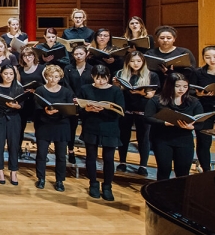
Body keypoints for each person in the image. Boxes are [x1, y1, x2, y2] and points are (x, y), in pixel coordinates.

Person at [145, 72, 205, 180]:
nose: (181, 89)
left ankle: (180, 196)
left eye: (185, 86)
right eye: (177, 86)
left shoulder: (193, 102)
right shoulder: (157, 100)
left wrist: (192, 127)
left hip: (184, 140)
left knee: (183, 171)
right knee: (164, 169)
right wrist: (164, 123)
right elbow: (147, 117)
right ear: (169, 86)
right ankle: (161, 195)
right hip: (163, 139)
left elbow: (200, 123)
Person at [78, 64, 125, 201]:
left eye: (104, 78)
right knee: (91, 157)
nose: (101, 81)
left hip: (110, 127)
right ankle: (93, 184)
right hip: (91, 126)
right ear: (92, 77)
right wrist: (87, 110)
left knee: (109, 159)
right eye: (98, 78)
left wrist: (104, 110)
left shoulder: (116, 91)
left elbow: (120, 112)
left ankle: (107, 186)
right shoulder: (85, 89)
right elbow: (79, 110)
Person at [115, 51, 158, 176]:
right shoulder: (120, 74)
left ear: (143, 62)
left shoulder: (151, 75)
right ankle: (122, 162)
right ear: (128, 62)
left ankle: (143, 165)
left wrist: (140, 93)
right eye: (133, 61)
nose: (136, 64)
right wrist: (116, 84)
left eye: (139, 61)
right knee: (124, 136)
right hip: (126, 109)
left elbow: (151, 94)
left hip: (143, 110)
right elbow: (116, 92)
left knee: (143, 138)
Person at [33, 65, 74, 191]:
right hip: (44, 124)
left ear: (60, 77)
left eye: (56, 77)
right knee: (41, 154)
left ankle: (60, 180)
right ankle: (41, 178)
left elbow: (70, 110)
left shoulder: (67, 92)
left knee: (61, 155)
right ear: (46, 76)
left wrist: (60, 111)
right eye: (50, 76)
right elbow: (35, 109)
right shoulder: (40, 90)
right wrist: (45, 111)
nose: (53, 79)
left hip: (61, 125)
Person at [0, 65, 23, 186]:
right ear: (1, 74)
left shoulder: (18, 88)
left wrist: (16, 106)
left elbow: (22, 105)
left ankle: (13, 171)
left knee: (13, 145)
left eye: (11, 74)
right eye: (6, 74)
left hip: (14, 118)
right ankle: (0, 170)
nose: (8, 76)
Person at [194, 45, 215, 171]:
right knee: (203, 142)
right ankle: (206, 171)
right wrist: (198, 93)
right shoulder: (198, 72)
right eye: (207, 57)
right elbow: (191, 90)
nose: (212, 60)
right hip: (204, 108)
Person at [63, 44, 93, 164]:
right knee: (71, 127)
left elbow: (92, 85)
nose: (78, 56)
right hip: (72, 101)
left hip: (86, 102)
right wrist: (74, 98)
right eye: (76, 54)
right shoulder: (68, 68)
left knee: (87, 127)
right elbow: (66, 84)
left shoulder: (92, 69)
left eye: (81, 54)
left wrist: (84, 99)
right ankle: (70, 151)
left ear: (87, 54)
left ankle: (89, 153)